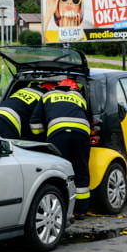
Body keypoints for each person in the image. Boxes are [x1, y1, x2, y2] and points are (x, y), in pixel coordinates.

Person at [33, 78, 90, 216]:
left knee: (59, 171)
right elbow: (87, 115)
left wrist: (40, 139)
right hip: (82, 134)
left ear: (56, 87)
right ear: (72, 88)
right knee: (81, 169)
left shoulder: (47, 95)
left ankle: (62, 208)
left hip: (58, 134)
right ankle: (81, 211)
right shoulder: (78, 96)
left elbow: (35, 123)